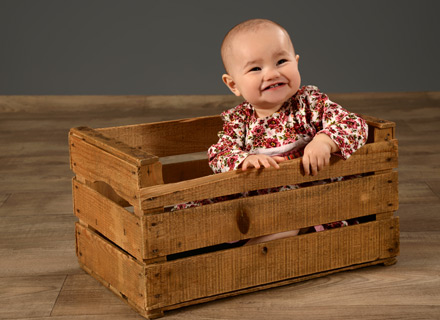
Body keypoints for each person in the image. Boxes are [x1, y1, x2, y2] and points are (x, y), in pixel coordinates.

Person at [175, 18, 368, 245]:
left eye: (281, 61)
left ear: (296, 63)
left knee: (284, 220)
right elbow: (219, 154)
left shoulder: (310, 104)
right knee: (205, 209)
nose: (271, 74)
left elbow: (355, 124)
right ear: (233, 84)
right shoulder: (240, 120)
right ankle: (199, 242)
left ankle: (248, 255)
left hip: (303, 202)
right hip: (253, 203)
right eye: (256, 68)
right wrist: (244, 159)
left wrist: (325, 141)